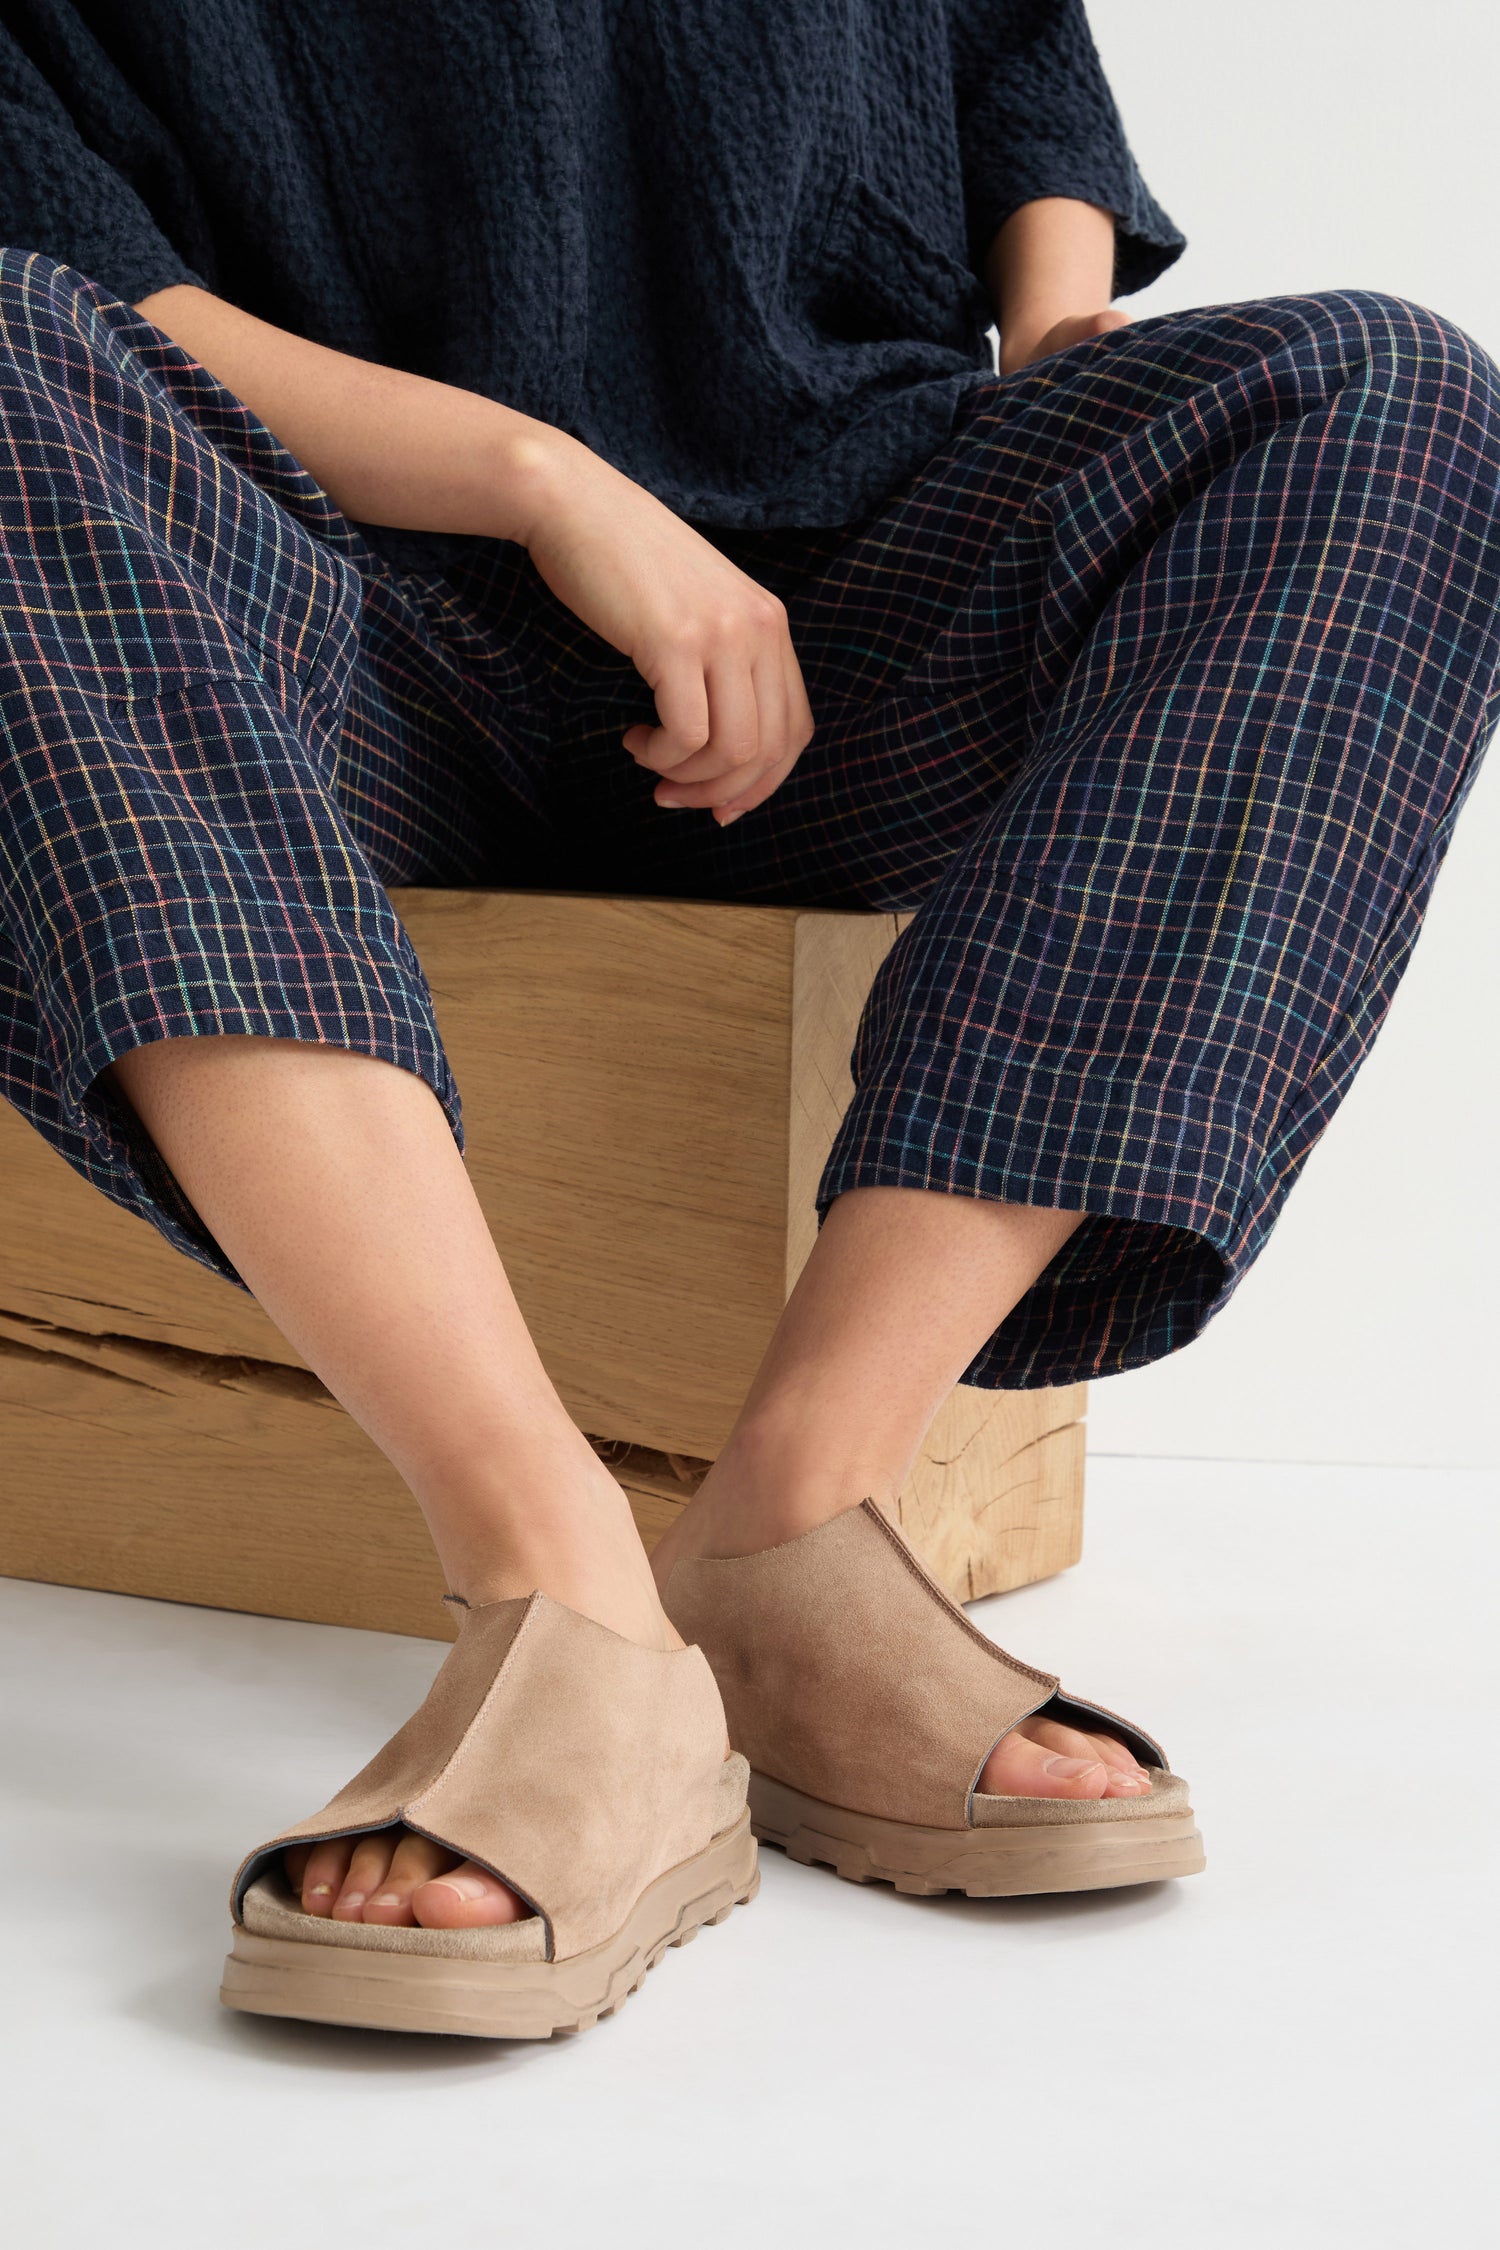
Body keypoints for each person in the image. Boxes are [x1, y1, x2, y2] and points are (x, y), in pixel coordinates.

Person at [2, 3, 1496, 2036]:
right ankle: (561, 1596)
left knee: (1387, 398)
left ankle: (796, 1518)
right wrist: (544, 481)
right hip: (323, 605)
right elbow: (76, 275)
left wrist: (1069, 375)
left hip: (871, 590)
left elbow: (1015, 82)